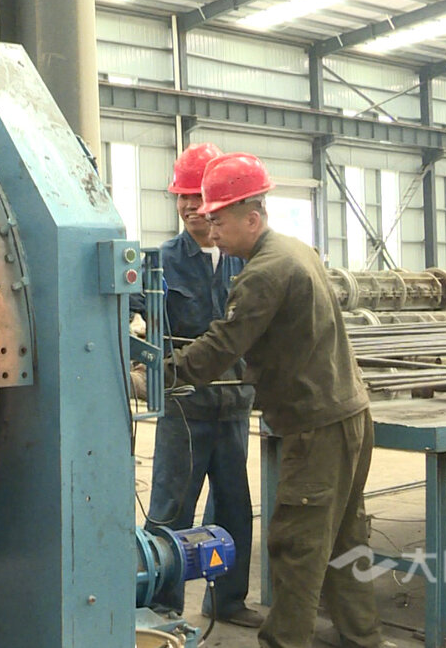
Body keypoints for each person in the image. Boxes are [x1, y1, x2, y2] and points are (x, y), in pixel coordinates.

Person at [165, 153, 382, 648]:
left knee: (296, 545)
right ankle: (362, 638)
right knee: (344, 539)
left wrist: (156, 377)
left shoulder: (264, 272)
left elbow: (223, 345)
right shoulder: (297, 250)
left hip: (316, 425)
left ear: (252, 218)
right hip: (349, 413)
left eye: (218, 221)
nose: (211, 231)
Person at [130, 143, 261, 628]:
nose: (188, 206)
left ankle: (227, 600)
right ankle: (160, 606)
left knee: (233, 506)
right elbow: (123, 313)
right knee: (171, 510)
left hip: (233, 406)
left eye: (196, 196)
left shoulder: (245, 260)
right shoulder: (162, 262)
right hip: (183, 409)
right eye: (181, 197)